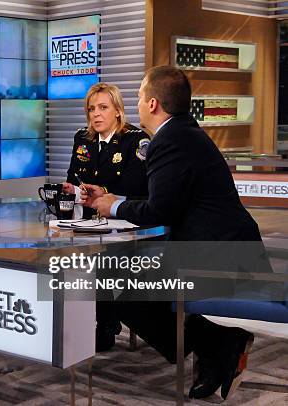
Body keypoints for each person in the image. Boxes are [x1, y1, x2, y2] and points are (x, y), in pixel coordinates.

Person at [83, 66, 261, 400]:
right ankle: (215, 344)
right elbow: (167, 200)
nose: (136, 104)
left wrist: (114, 207)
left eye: (137, 97)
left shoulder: (168, 140)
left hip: (218, 254)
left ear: (152, 104)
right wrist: (115, 200)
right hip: (224, 246)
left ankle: (218, 341)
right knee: (116, 267)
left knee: (113, 278)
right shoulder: (182, 133)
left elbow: (161, 210)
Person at [62, 82, 150, 353]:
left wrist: (106, 195)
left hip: (126, 223)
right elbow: (73, 178)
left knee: (104, 259)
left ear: (118, 111)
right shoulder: (83, 139)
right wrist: (74, 191)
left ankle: (107, 323)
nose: (96, 115)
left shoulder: (136, 140)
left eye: (103, 108)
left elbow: (140, 190)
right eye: (91, 109)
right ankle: (74, 323)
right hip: (89, 220)